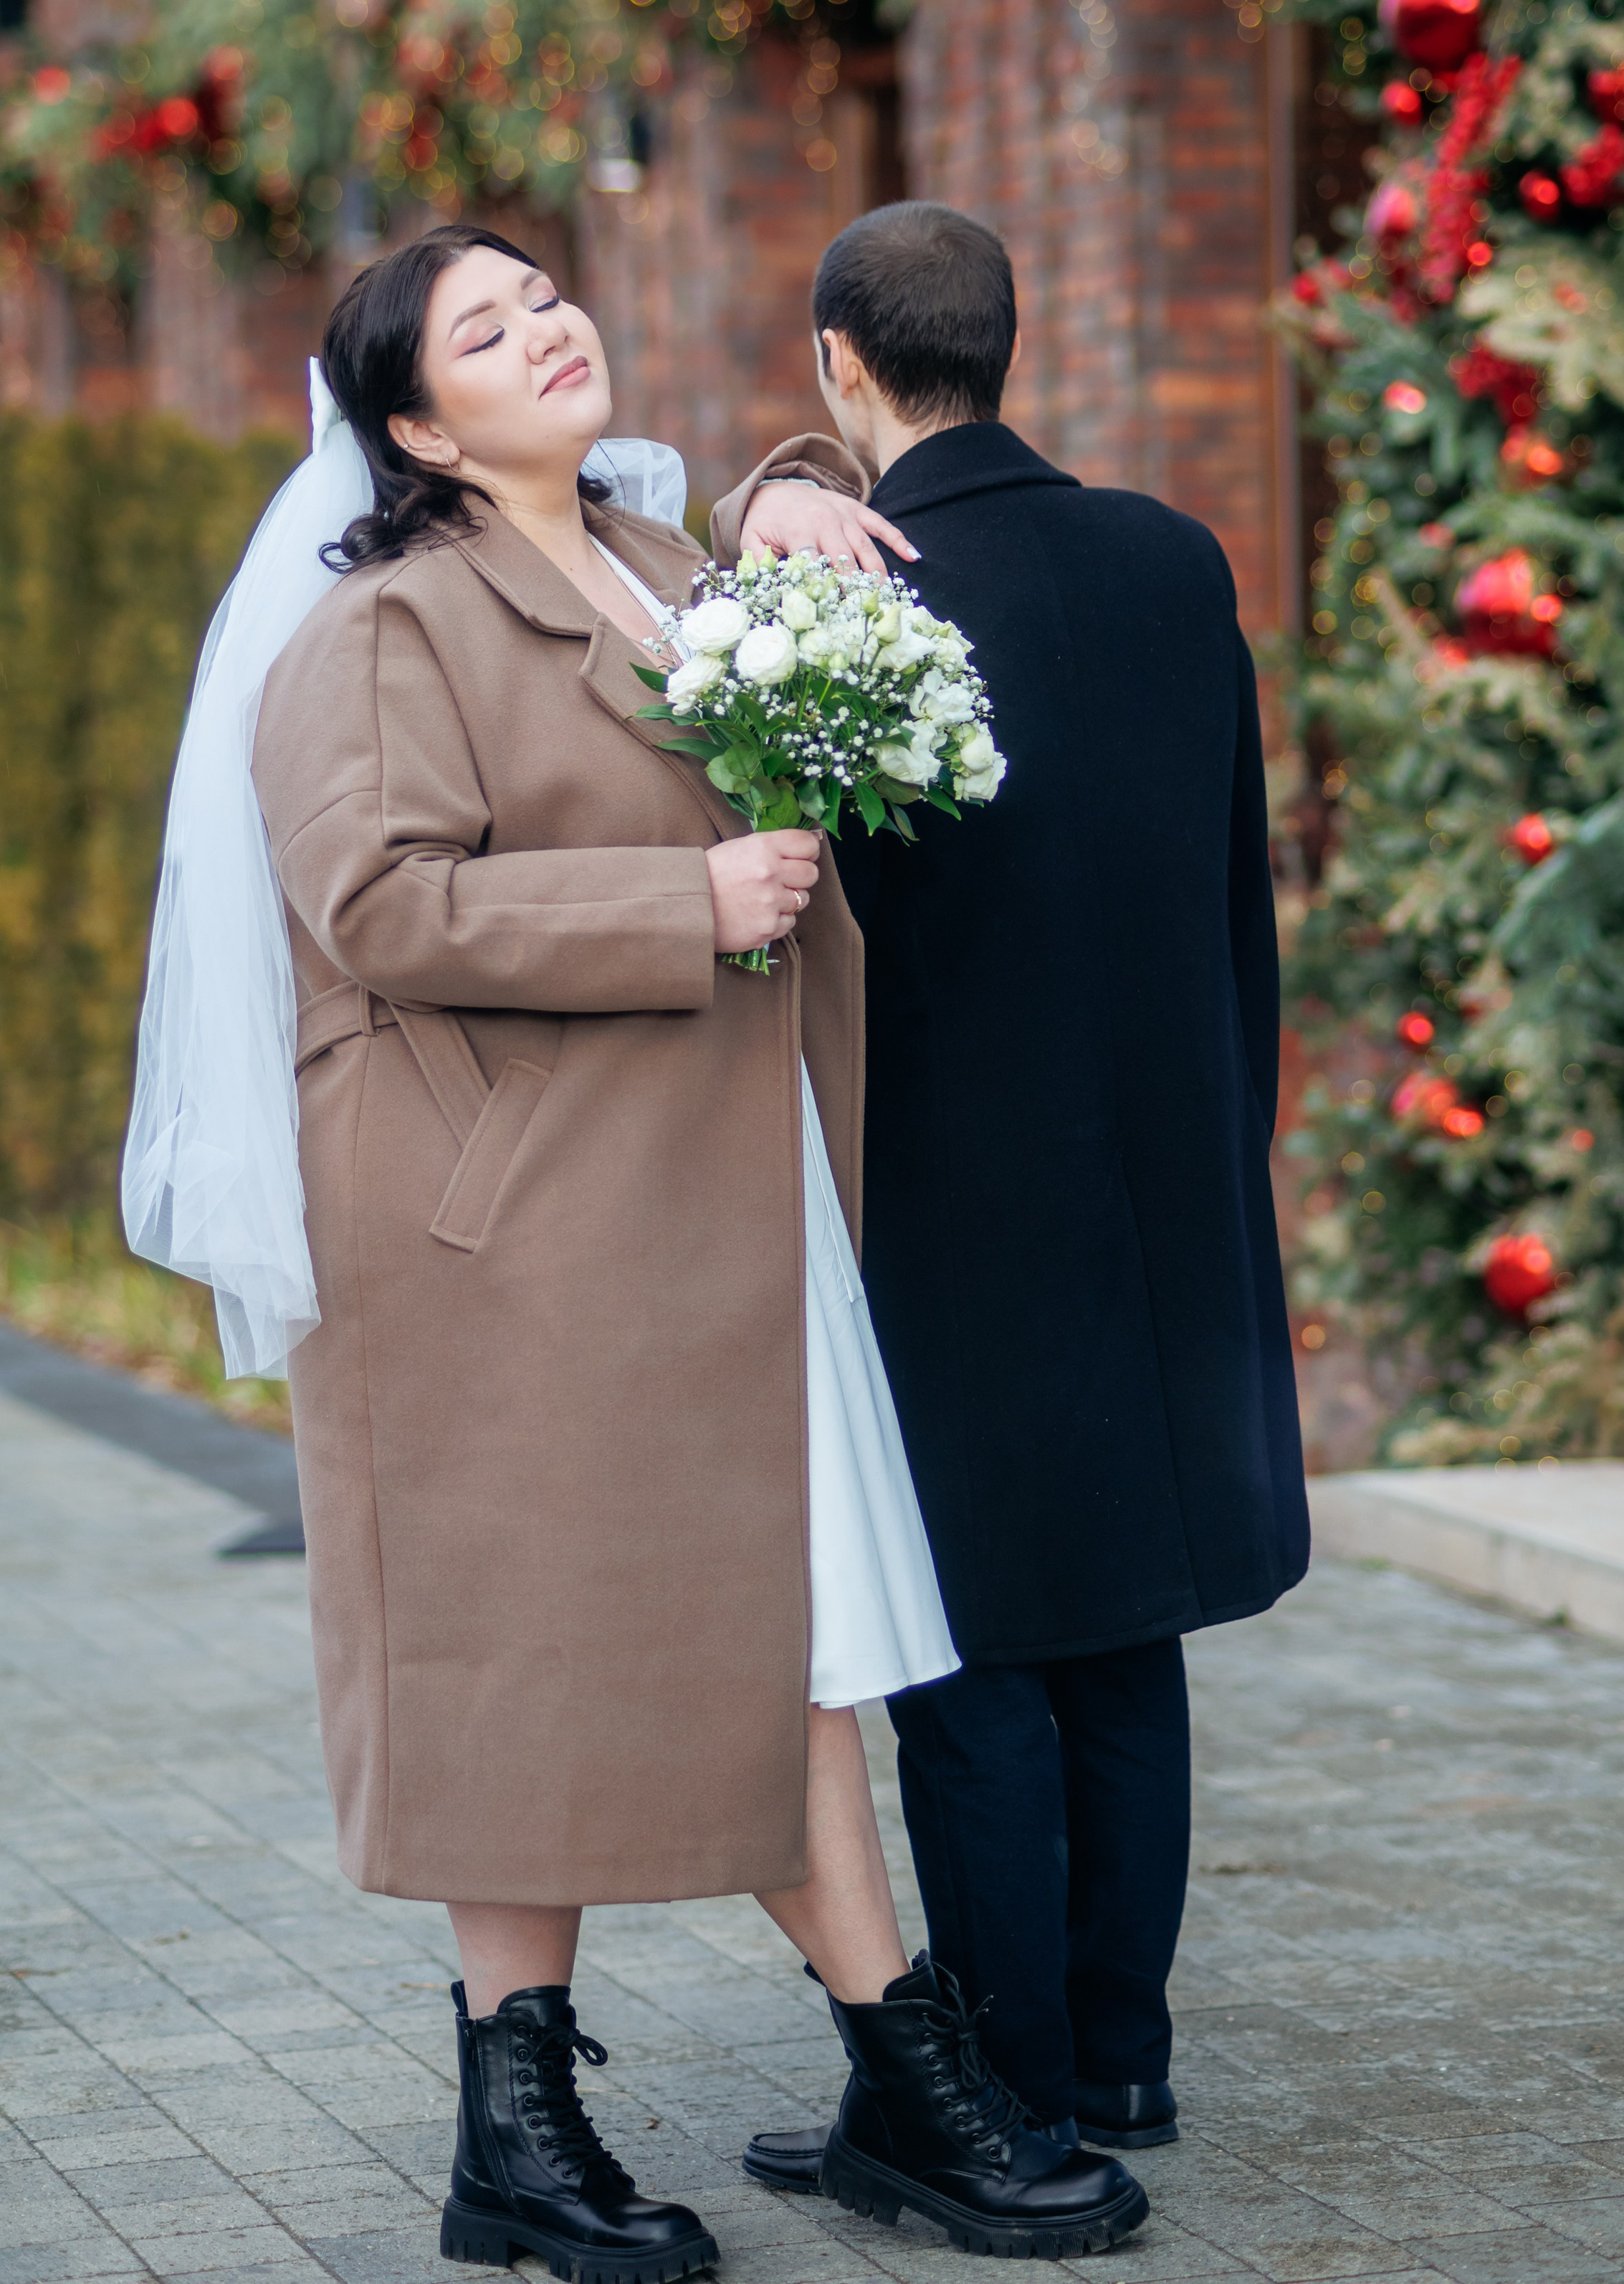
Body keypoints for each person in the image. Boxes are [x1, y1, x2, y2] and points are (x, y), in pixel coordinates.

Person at [122, 221, 1148, 2276]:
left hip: (727, 1201)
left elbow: (780, 543)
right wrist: (679, 904)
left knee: (810, 1632)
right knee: (521, 1668)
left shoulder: (673, 568)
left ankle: (884, 2072)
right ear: (412, 421)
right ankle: (543, 2126)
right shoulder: (387, 628)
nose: (545, 328)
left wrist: (785, 485)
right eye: (484, 330)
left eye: (548, 294)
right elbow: (377, 909)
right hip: (507, 1235)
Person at [712, 201, 1309, 2182]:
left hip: (952, 1199)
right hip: (1170, 1184)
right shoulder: (1173, 558)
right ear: (1012, 346)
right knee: (1126, 1632)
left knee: (971, 1659)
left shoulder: (851, 602)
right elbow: (1241, 884)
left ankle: (1014, 2084)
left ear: (838, 363)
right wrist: (1241, 1131)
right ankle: (1122, 2058)